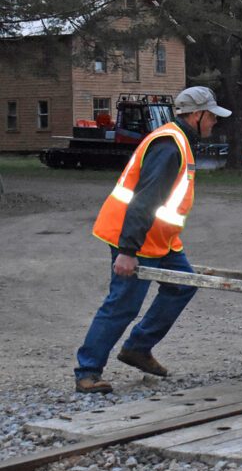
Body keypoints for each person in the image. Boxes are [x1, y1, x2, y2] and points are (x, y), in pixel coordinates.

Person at [74, 86, 231, 394]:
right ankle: (88, 371)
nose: (215, 122)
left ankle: (138, 347)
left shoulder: (179, 140)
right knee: (123, 304)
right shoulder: (169, 146)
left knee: (183, 284)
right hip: (136, 238)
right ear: (196, 115)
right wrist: (128, 251)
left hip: (161, 239)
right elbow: (144, 201)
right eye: (211, 116)